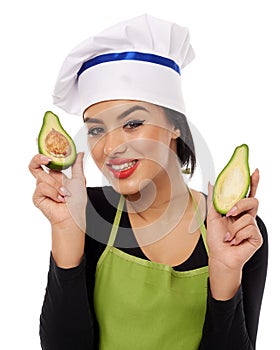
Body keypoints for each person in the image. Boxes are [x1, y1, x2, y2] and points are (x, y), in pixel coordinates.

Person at [29, 14, 268, 350]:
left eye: (132, 123)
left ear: (176, 126)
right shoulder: (87, 212)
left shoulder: (237, 231)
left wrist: (225, 271)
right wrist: (68, 234)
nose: (110, 148)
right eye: (96, 129)